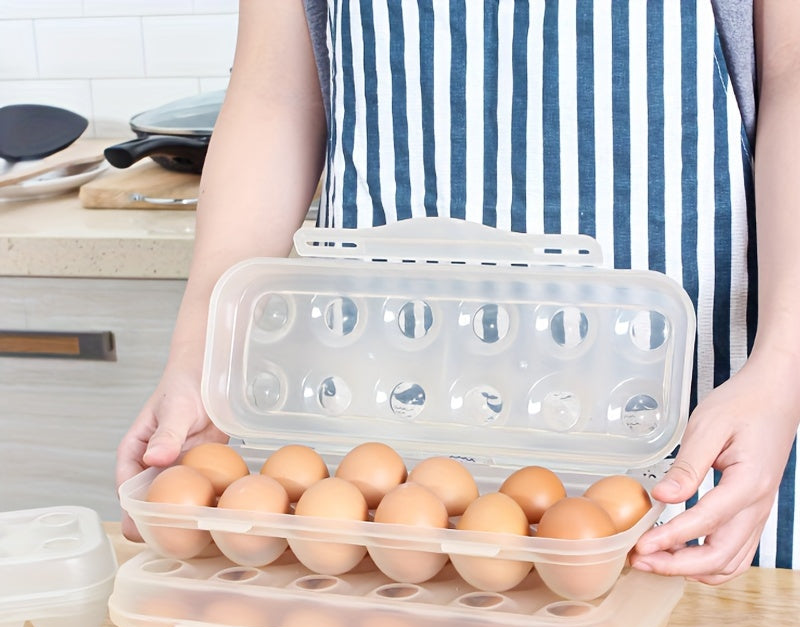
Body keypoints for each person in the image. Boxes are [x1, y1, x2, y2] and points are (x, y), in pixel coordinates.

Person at [116, 0, 800, 582]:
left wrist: (782, 371)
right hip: (383, 412)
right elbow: (276, 95)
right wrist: (201, 353)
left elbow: (792, 75)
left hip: (686, 431)